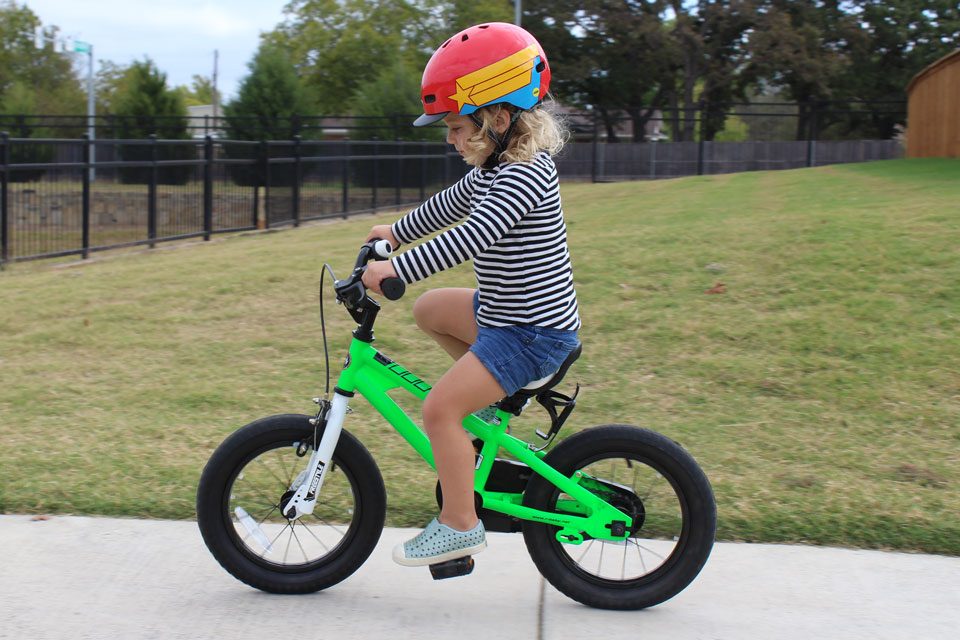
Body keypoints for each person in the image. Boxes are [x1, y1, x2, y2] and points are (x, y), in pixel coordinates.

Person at [361, 22, 581, 568]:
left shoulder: (526, 175)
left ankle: (460, 525)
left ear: (499, 119)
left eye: (457, 127)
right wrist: (395, 232)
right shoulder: (491, 167)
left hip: (532, 336)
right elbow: (449, 206)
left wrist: (396, 270)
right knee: (429, 309)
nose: (450, 139)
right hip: (506, 316)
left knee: (439, 410)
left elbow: (472, 235)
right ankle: (484, 405)